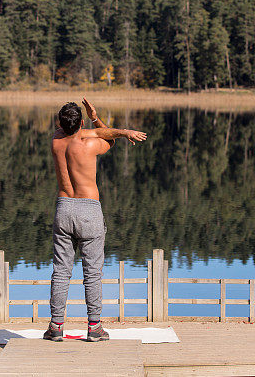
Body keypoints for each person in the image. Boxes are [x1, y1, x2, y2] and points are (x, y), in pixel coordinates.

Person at [43, 98, 147, 342]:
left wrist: (86, 122)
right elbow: (108, 139)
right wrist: (96, 118)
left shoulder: (56, 140)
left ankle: (56, 327)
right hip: (89, 210)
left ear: (60, 122)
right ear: (81, 123)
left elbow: (76, 130)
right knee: (92, 273)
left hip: (63, 208)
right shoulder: (89, 143)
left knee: (61, 271)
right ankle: (94, 327)